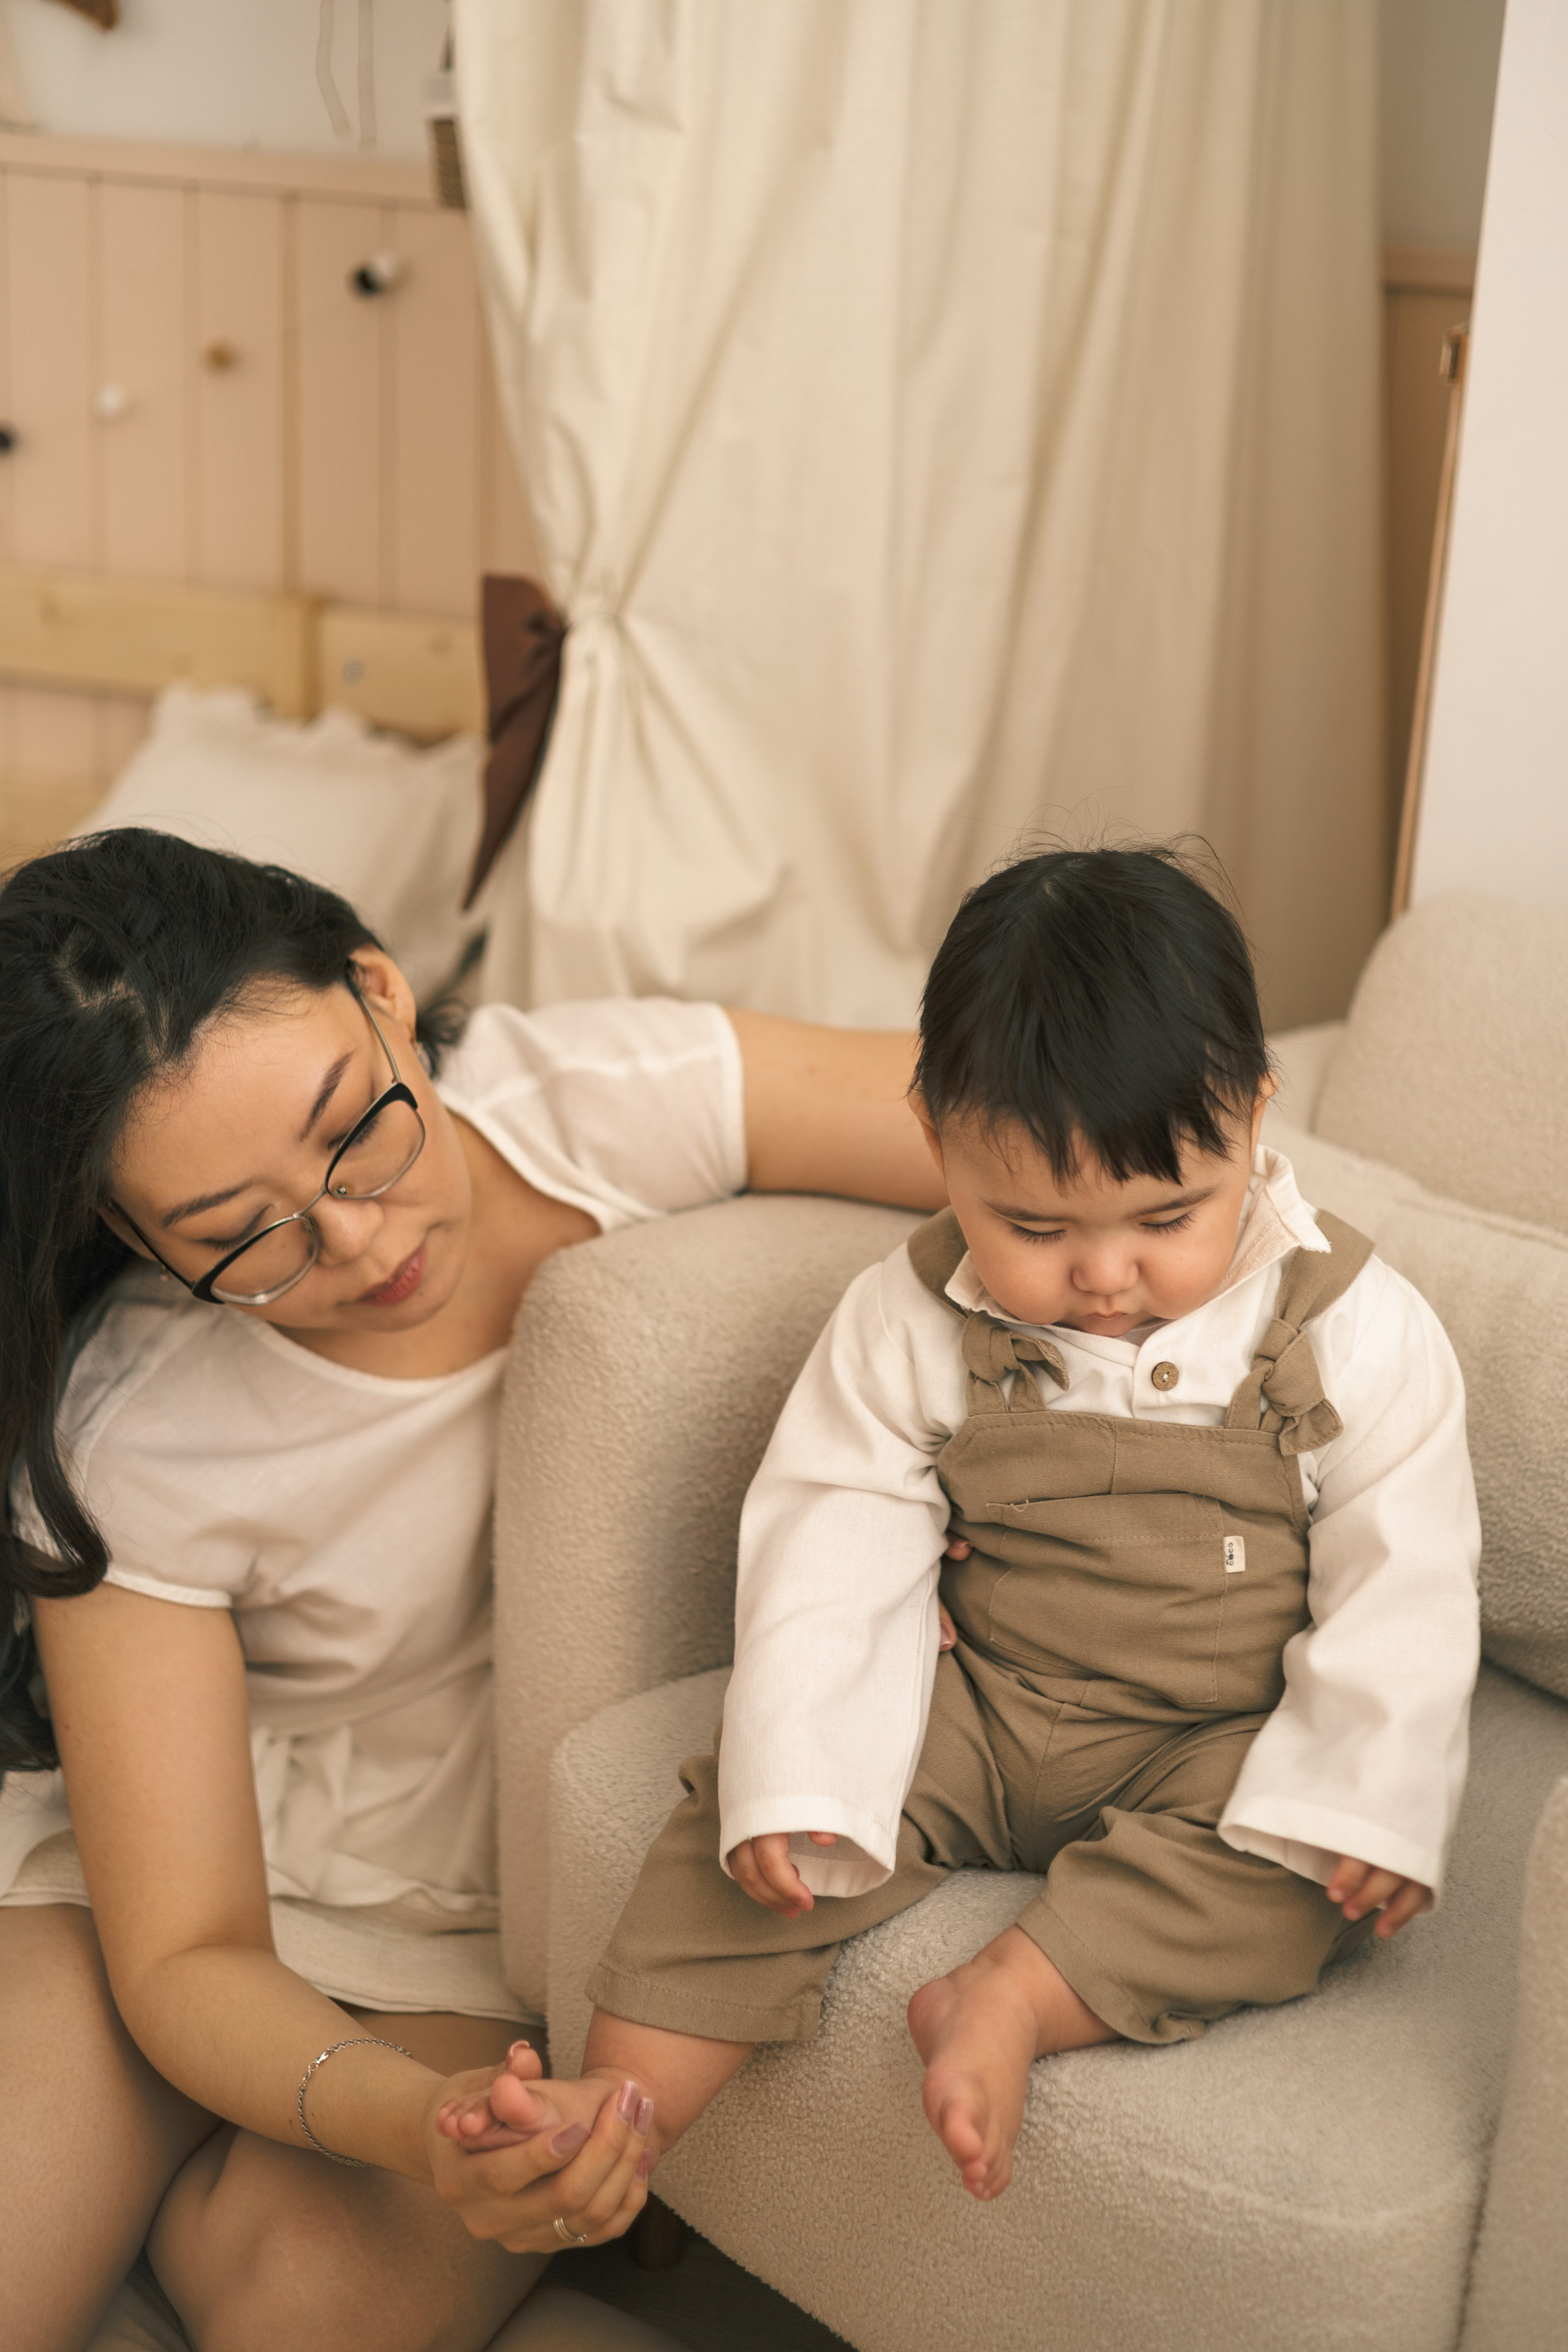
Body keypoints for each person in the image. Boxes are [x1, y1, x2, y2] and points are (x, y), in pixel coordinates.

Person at [0, 827, 944, 2352]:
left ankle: (188, 2217)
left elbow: (1025, 1139)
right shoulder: (138, 1430)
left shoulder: (593, 1102)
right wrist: (397, 2118)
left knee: (306, 2313)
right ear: (132, 1235)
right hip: (166, 1876)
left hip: (459, 1901)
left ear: (381, 991)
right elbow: (186, 1950)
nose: (355, 1238)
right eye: (239, 1237)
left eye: (354, 1131)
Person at [447, 844, 1481, 2211]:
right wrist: (801, 1774)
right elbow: (834, 1528)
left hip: (1209, 1736)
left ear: (1252, 1115)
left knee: (1298, 1875)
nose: (1105, 1276)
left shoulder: (1351, 1326)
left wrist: (1365, 1793)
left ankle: (1016, 1993)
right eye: (1034, 1227)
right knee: (742, 1832)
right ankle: (619, 2111)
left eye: (1167, 1216)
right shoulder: (909, 1314)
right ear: (936, 1143)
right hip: (979, 1708)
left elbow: (1406, 1578)